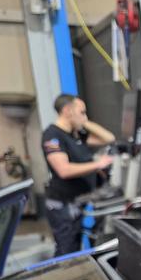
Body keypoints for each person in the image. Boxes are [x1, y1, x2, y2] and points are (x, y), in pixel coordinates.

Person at [41, 94, 115, 256]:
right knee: (67, 253)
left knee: (75, 248)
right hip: (62, 205)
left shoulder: (75, 134)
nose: (85, 116)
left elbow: (109, 138)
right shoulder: (53, 136)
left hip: (77, 202)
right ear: (67, 111)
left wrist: (84, 122)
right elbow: (64, 170)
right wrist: (97, 164)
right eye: (82, 112)